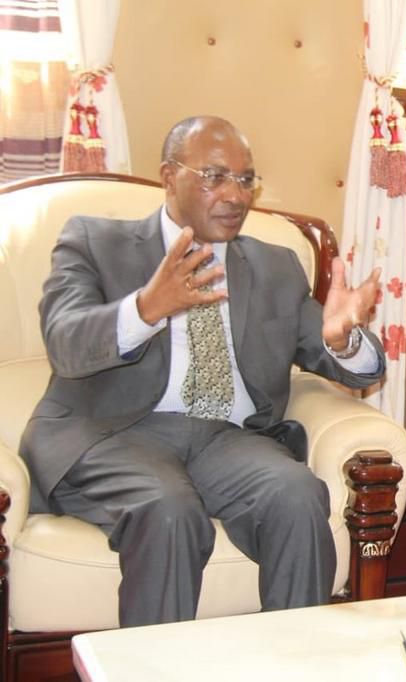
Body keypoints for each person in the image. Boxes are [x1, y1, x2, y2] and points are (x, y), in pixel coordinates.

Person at [19, 116, 386, 627]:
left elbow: (332, 351)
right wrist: (147, 307)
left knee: (297, 495)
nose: (236, 195)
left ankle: (300, 662)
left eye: (246, 179)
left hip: (225, 439)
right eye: (215, 176)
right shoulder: (94, 241)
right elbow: (65, 342)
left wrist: (342, 338)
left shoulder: (276, 265)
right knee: (170, 511)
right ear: (170, 176)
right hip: (113, 434)